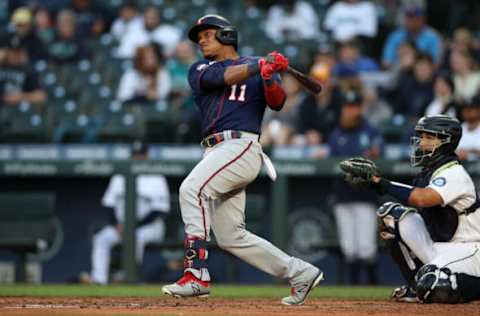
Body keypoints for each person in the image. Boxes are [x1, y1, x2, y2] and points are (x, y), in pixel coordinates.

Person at [161, 15, 323, 305]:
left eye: (208, 34)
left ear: (227, 35)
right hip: (217, 151)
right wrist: (258, 66)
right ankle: (300, 272)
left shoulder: (257, 66)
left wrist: (268, 76)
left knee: (191, 190)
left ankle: (196, 274)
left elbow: (277, 101)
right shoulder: (199, 69)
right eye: (199, 38)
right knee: (230, 236)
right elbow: (221, 78)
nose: (201, 40)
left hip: (240, 145)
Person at [339, 115, 480, 303]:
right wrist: (374, 183)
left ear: (446, 142)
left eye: (430, 137)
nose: (422, 142)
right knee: (391, 215)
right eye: (422, 136)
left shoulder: (454, 172)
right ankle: (415, 287)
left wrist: (380, 183)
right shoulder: (429, 172)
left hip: (467, 250)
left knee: (434, 284)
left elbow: (422, 198)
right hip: (440, 247)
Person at [81, 141, 170, 284]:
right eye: (135, 155)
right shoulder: (120, 175)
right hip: (121, 226)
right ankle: (99, 279)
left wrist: (133, 226)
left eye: (141, 155)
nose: (138, 158)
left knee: (136, 237)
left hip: (149, 227)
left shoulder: (156, 177)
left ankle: (127, 276)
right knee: (101, 238)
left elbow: (159, 210)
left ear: (147, 156)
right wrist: (117, 225)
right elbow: (108, 204)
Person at [329, 90, 383, 284]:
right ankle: (353, 290)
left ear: (360, 108)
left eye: (354, 107)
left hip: (365, 195)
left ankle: (372, 285)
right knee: (349, 248)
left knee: (366, 248)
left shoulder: (370, 130)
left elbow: (379, 155)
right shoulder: (337, 133)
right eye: (348, 107)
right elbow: (333, 161)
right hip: (343, 195)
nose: (351, 111)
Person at [0, 36, 47, 106]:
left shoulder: (28, 70)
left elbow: (41, 96)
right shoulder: (2, 65)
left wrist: (20, 96)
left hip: (19, 108)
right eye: (12, 51)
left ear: (22, 52)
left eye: (17, 52)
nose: (14, 55)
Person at [456, 95, 480, 161]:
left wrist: (469, 153)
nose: (466, 112)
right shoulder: (458, 128)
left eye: (470, 109)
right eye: (464, 109)